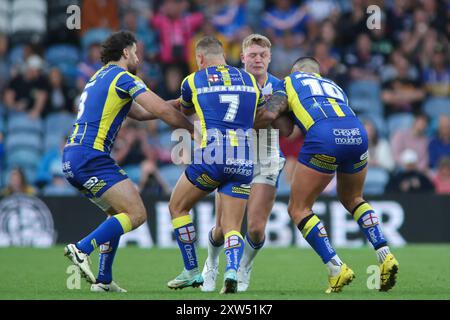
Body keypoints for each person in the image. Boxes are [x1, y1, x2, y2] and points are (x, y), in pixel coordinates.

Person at [62, 31, 193, 293]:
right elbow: (160, 111)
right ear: (125, 53)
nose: (138, 57)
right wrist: (193, 129)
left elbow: (142, 113)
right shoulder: (124, 77)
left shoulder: (99, 77)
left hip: (74, 158)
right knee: (137, 214)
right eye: (135, 52)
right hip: (91, 156)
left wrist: (177, 102)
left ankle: (104, 280)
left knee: (117, 214)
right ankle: (82, 248)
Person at [262, 57, 399, 293]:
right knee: (354, 198)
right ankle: (385, 254)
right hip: (357, 133)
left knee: (298, 208)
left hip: (325, 136)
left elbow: (272, 116)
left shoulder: (287, 82)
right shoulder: (335, 87)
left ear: (295, 71)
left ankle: (336, 268)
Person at [166, 36, 264, 294]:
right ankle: (231, 271)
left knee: (177, 207)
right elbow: (260, 114)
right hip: (244, 158)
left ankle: (191, 270)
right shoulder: (251, 81)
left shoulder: (192, 80)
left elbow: (184, 109)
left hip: (213, 155)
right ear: (223, 55)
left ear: (200, 59)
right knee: (233, 226)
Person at [201, 34, 288, 293]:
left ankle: (244, 268)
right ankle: (212, 263)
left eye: (262, 55)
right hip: (234, 156)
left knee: (257, 229)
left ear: (270, 58)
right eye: (252, 55)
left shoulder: (280, 86)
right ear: (242, 58)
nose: (258, 59)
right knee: (222, 228)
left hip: (266, 159)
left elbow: (284, 124)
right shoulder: (230, 81)